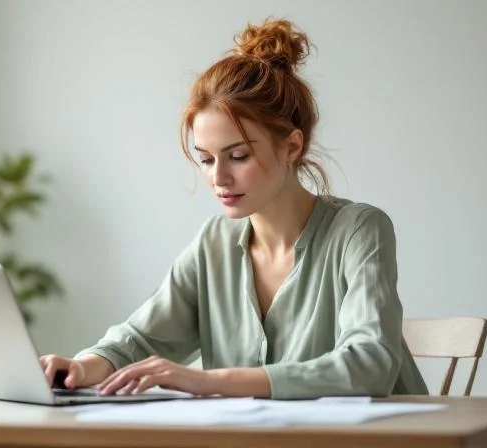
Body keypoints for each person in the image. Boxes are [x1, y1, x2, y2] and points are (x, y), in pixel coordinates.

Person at [40, 17, 429, 399]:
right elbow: (140, 339)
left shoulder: (359, 230)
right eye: (206, 159)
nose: (219, 177)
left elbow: (370, 364)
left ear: (292, 147)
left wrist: (210, 381)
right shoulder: (214, 243)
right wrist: (81, 367)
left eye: (238, 156)